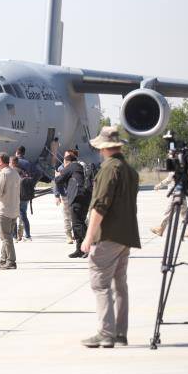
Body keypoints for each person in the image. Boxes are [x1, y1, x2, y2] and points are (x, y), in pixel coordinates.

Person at [80, 127, 140, 348]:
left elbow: (100, 206)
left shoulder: (108, 169)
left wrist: (88, 237)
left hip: (108, 235)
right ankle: (120, 333)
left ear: (103, 148)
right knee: (120, 284)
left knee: (100, 283)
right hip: (126, 234)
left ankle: (106, 332)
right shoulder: (129, 170)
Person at [53, 153, 90, 257]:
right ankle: (80, 249)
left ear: (66, 162)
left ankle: (88, 247)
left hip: (77, 197)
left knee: (77, 224)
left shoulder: (71, 166)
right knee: (81, 223)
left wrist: (57, 175)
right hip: (85, 197)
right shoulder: (81, 167)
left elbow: (59, 180)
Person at [0, 151, 20, 269]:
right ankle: (3, 259)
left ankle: (11, 261)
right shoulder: (15, 172)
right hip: (14, 210)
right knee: (6, 236)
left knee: (6, 237)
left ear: (1, 162)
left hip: (4, 210)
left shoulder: (3, 174)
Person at [152, 171, 188, 237]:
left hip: (175, 194)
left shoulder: (176, 168)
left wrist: (158, 185)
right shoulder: (182, 167)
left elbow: (168, 180)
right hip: (181, 193)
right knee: (184, 212)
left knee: (169, 211)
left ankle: (161, 228)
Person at [53, 149, 76, 244]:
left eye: (68, 157)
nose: (65, 159)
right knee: (66, 216)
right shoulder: (60, 168)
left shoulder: (76, 167)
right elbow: (56, 182)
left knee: (77, 214)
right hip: (65, 195)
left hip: (75, 194)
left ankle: (77, 233)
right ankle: (68, 235)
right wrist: (57, 195)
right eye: (65, 157)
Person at [10, 155, 33, 242]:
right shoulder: (23, 171)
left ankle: (15, 236)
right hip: (25, 197)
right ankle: (27, 235)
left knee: (13, 217)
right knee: (24, 216)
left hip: (16, 197)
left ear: (12, 163)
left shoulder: (12, 172)